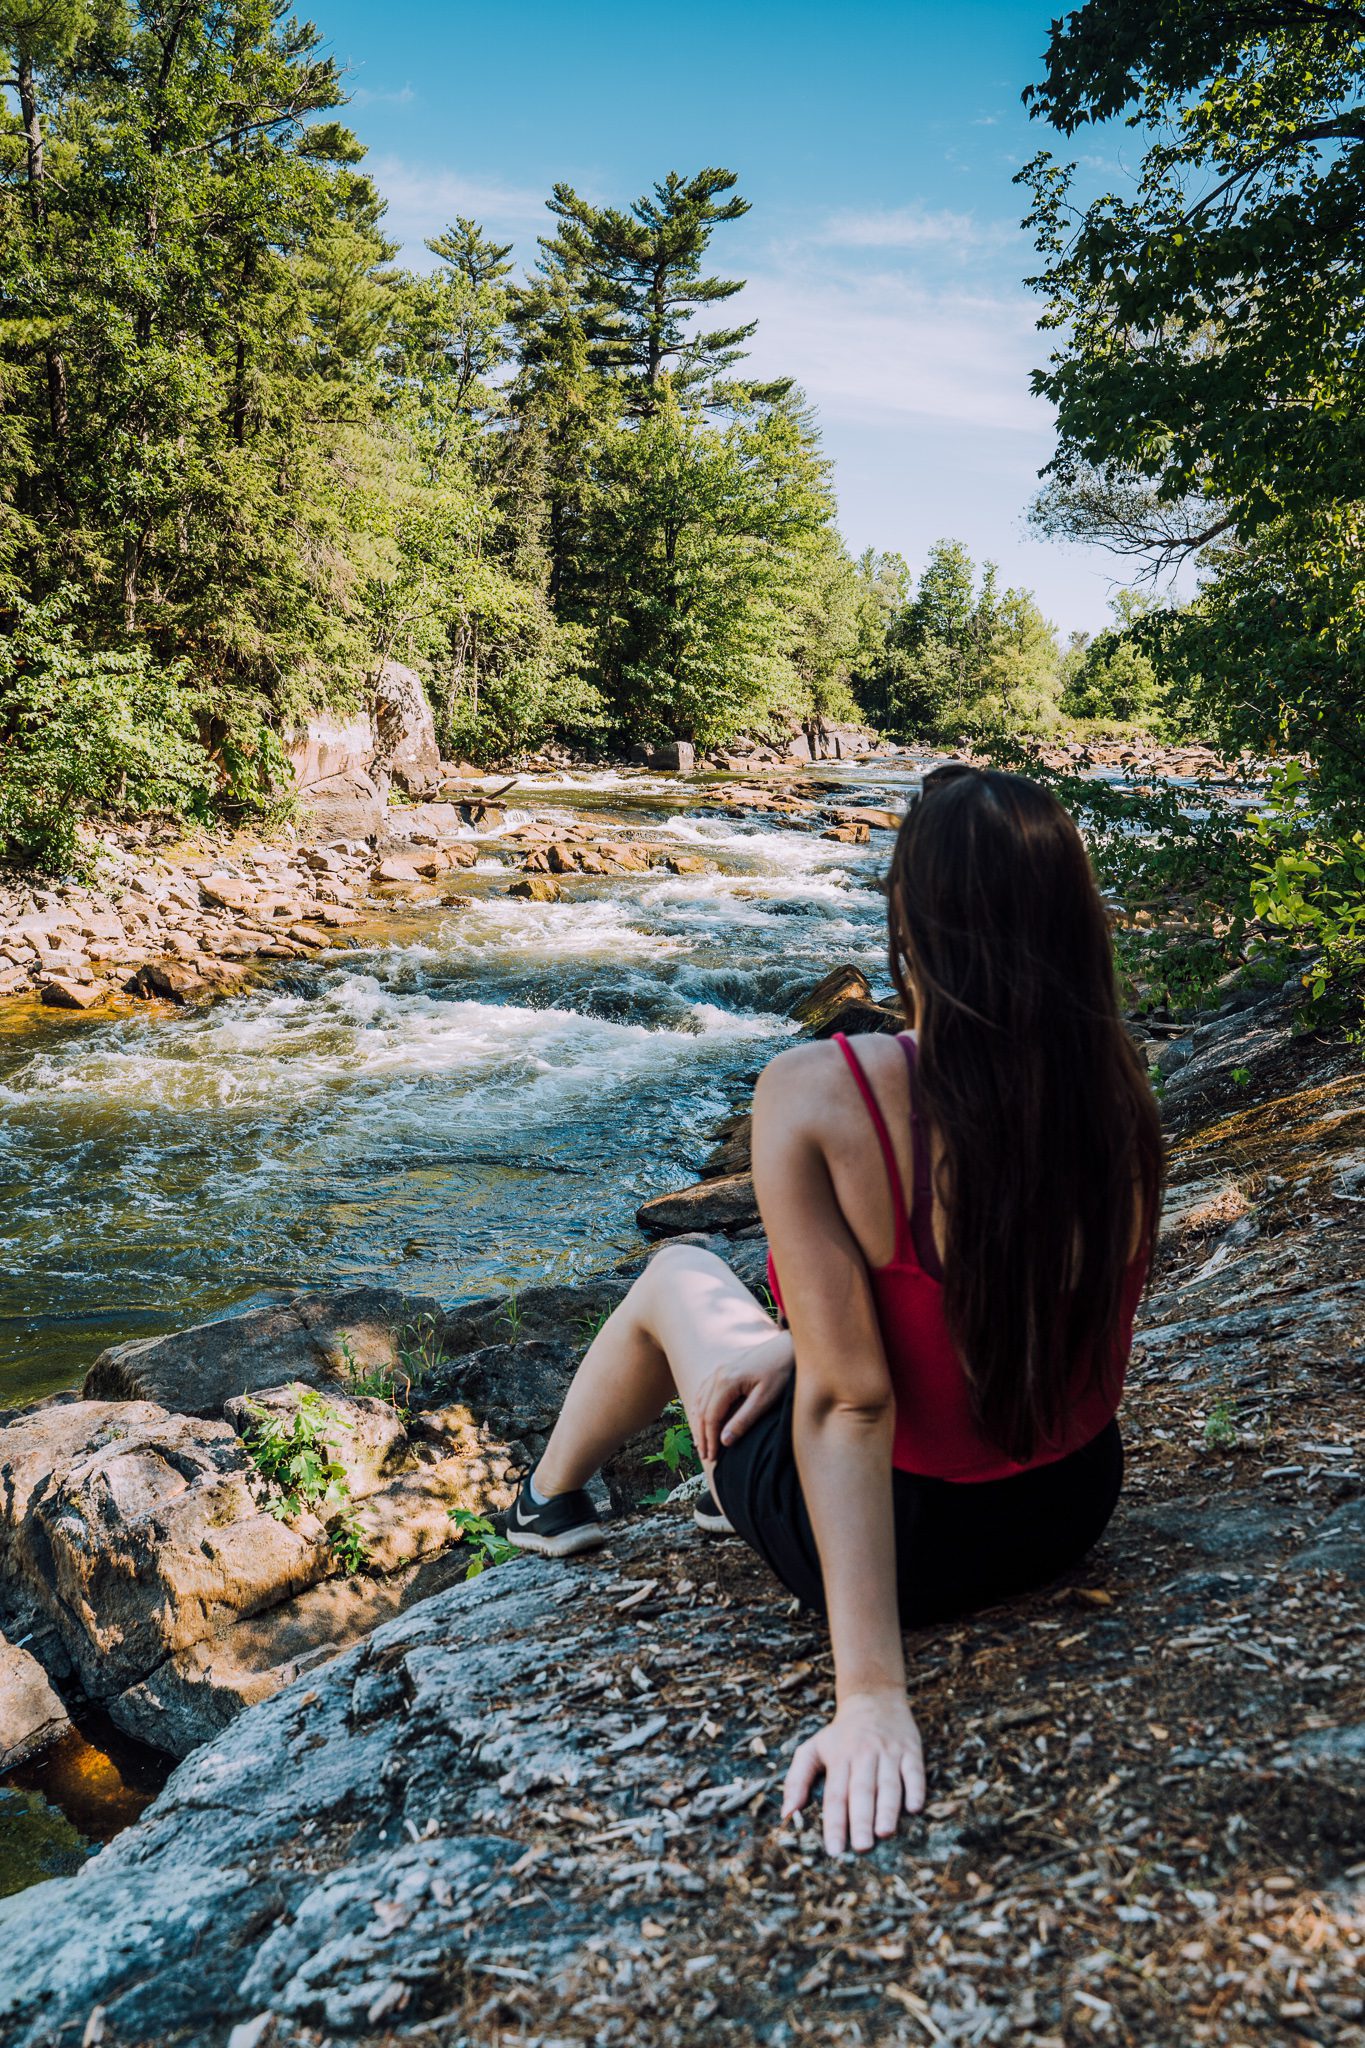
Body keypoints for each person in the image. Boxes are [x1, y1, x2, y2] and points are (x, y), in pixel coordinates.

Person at [505, 764, 1163, 1857]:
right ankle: (701, 1427)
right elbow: (1004, 1307)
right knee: (784, 1342)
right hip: (1069, 1504)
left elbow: (856, 1405)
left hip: (909, 1544)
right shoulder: (1118, 1092)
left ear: (910, 925)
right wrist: (806, 1343)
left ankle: (548, 1503)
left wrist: (870, 1692)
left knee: (678, 1276)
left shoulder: (816, 1089)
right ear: (1071, 921)